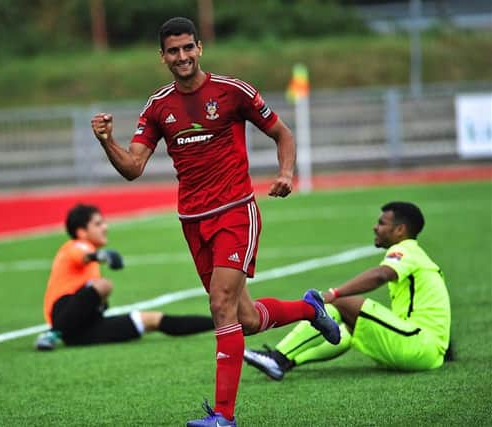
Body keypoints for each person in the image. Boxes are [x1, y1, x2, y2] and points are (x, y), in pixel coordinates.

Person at [91, 17, 340, 427]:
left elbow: (283, 133)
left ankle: (223, 417)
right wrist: (107, 141)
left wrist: (285, 173)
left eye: (188, 47)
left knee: (220, 304)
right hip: (192, 220)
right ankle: (309, 308)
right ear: (163, 56)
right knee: (246, 319)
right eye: (173, 50)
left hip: (236, 211)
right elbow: (133, 166)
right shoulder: (157, 107)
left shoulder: (232, 91)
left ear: (200, 48)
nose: (182, 56)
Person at [244, 201, 452, 381]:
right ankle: (286, 361)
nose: (375, 227)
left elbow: (380, 275)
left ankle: (277, 358)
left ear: (400, 230)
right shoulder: (417, 254)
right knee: (342, 332)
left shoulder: (407, 249)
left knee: (339, 303)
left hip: (419, 345)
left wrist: (335, 293)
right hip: (425, 351)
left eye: (381, 223)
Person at [34, 203, 215, 350]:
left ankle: (221, 324)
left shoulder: (88, 256)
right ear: (81, 231)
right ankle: (52, 333)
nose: (105, 227)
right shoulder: (75, 246)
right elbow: (84, 256)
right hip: (62, 314)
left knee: (151, 320)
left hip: (81, 330)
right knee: (103, 285)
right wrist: (103, 256)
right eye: (98, 224)